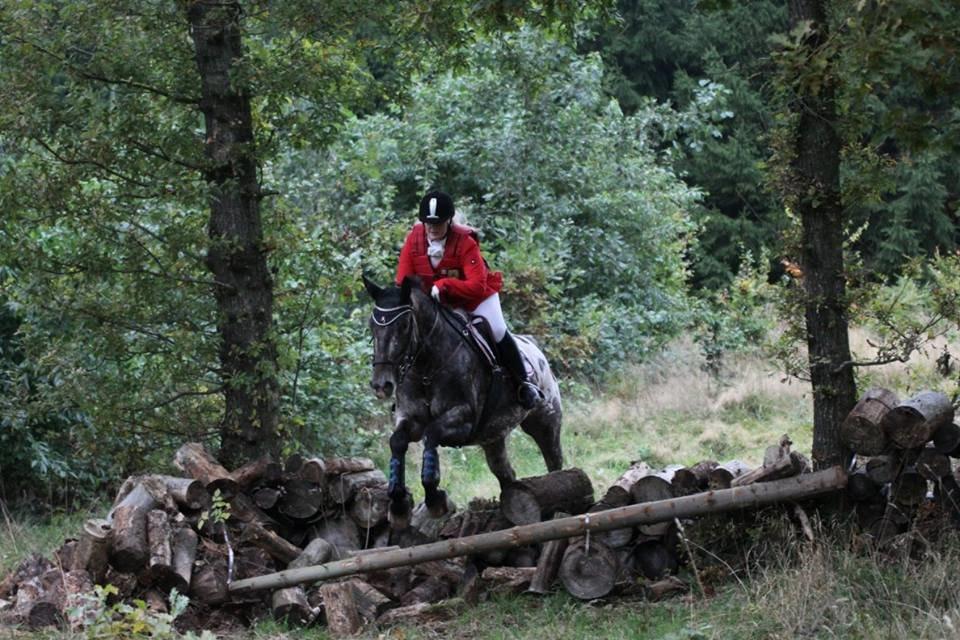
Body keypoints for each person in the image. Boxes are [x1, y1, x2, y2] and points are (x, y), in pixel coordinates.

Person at [395, 190, 541, 409]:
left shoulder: (465, 242)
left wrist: (444, 285)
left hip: (475, 298)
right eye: (428, 223)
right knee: (408, 331)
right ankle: (404, 392)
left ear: (449, 221)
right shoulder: (413, 239)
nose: (433, 229)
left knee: (498, 330)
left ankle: (524, 384)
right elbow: (403, 280)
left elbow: (476, 285)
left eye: (439, 224)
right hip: (435, 301)